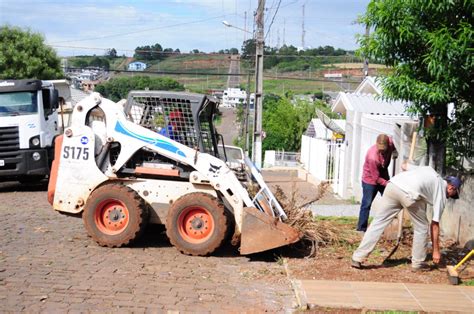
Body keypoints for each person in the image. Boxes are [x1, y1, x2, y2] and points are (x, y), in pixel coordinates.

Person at [351, 164, 462, 271]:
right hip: (409, 194)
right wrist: (436, 251)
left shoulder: (429, 170)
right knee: (422, 227)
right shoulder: (441, 194)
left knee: (378, 222)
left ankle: (357, 257)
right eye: (453, 194)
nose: (450, 197)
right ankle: (418, 263)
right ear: (451, 187)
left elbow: (404, 165)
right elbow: (435, 225)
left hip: (393, 186)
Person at [357, 134, 396, 232]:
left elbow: (392, 141)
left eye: (384, 149)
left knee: (391, 200)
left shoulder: (390, 143)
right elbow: (376, 178)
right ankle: (361, 228)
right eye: (380, 149)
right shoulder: (372, 157)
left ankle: (388, 225)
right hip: (370, 179)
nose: (382, 151)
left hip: (383, 173)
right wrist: (388, 184)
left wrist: (395, 152)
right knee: (367, 203)